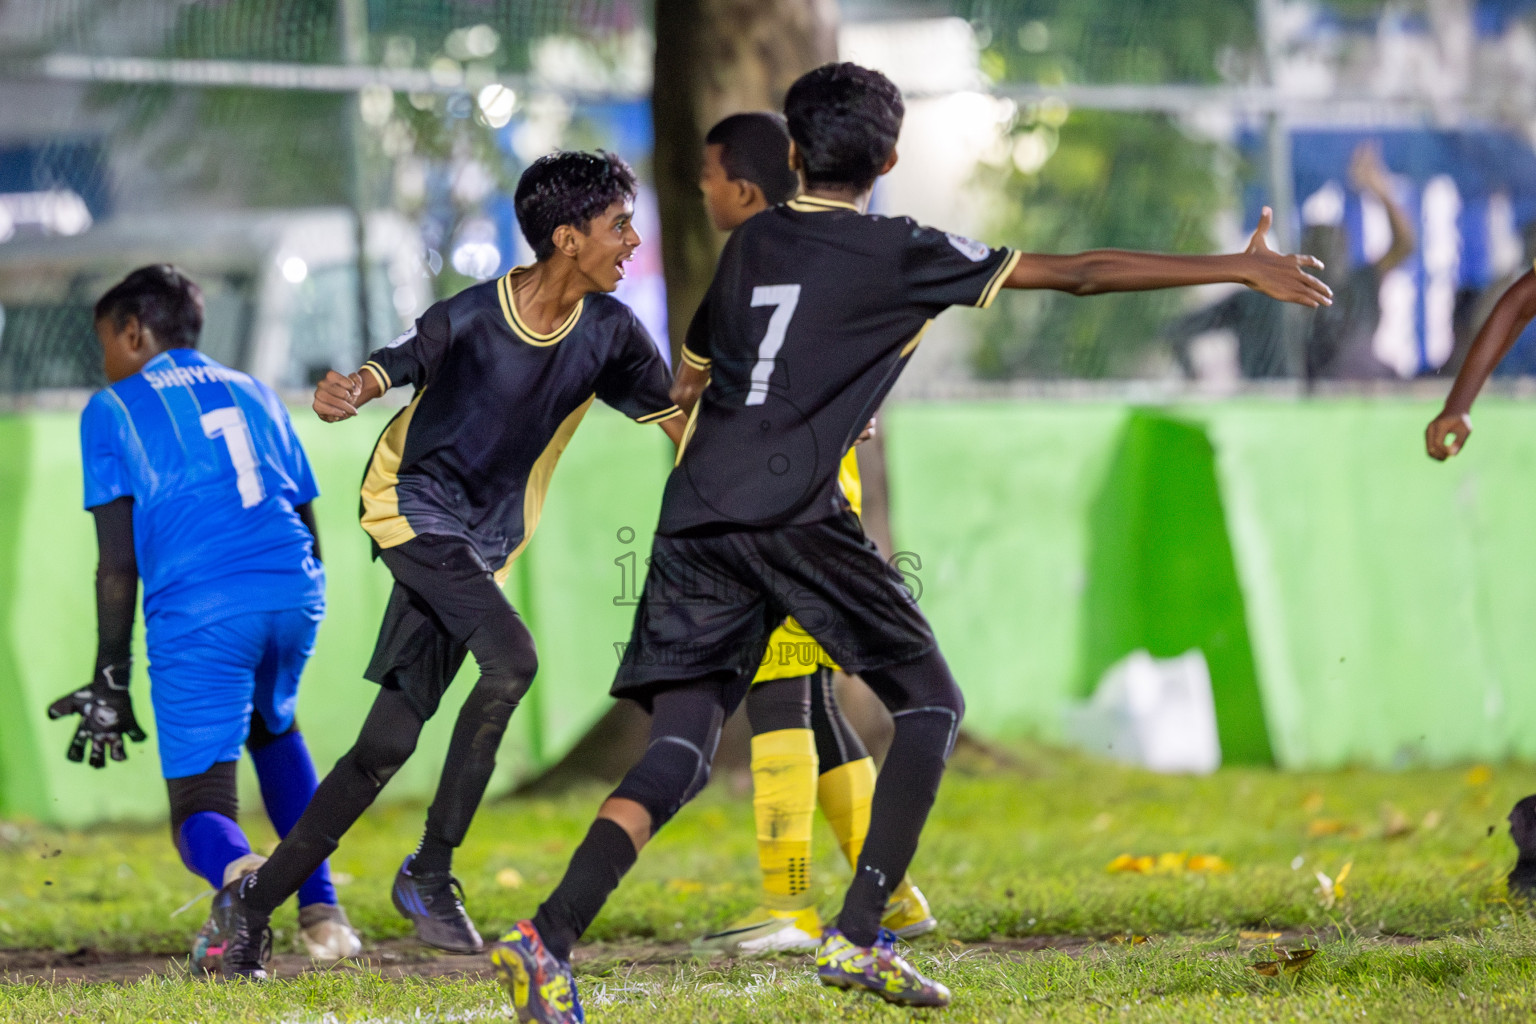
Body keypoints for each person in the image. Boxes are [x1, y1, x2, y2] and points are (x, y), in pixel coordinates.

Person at [484, 62, 1331, 1022]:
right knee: (930, 703)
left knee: (678, 748)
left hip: (696, 513)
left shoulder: (753, 239)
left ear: (792, 154)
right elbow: (1081, 274)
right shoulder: (904, 249)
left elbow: (696, 376)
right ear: (890, 157)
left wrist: (802, 404)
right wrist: (1237, 265)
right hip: (794, 511)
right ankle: (860, 932)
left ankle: (544, 940)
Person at [206, 151, 687, 980]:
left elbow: (683, 426)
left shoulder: (612, 335)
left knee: (382, 749)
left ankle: (248, 911)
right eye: (618, 226)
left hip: (484, 547)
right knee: (514, 660)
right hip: (410, 508)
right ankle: (430, 869)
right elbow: (395, 361)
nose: (634, 241)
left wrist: (790, 443)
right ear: (567, 239)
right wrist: (352, 388)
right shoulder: (470, 313)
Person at [48, 264, 360, 968]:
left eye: (107, 342)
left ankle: (248, 890)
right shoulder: (254, 389)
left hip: (204, 607)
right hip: (293, 588)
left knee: (197, 807)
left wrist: (110, 676)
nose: (105, 359)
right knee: (273, 728)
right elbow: (304, 512)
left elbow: (117, 564)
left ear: (132, 332)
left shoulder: (113, 406)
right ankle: (326, 918)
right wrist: (291, 597)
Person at [689, 110, 934, 955]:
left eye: (711, 174)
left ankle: (787, 906)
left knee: (779, 696)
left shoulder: (779, 256)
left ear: (751, 184)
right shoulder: (776, 258)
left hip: (791, 509)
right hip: (789, 498)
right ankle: (894, 895)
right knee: (815, 703)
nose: (702, 189)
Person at [1165, 141, 1413, 382]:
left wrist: (1379, 189)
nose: (1326, 261)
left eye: (1334, 249)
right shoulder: (1262, 298)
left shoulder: (1356, 289)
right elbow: (1177, 331)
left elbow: (1404, 246)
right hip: (1271, 410)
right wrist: (1194, 384)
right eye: (1317, 251)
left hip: (1341, 408)